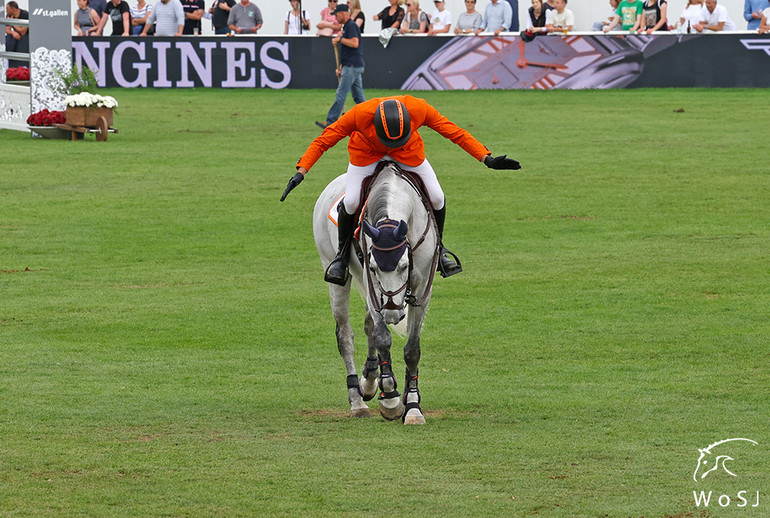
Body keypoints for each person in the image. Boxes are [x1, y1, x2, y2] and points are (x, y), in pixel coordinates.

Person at [281, 96, 521, 285]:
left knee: (437, 196)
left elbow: (453, 132)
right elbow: (324, 140)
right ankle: (341, 257)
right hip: (366, 155)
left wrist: (486, 158)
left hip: (408, 153)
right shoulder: (359, 115)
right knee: (352, 201)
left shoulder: (418, 108)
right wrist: (301, 171)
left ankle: (439, 251)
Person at [315, 4, 365, 130]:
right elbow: (350, 49)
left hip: (352, 66)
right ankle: (370, 119)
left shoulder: (351, 26)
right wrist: (342, 65)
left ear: (343, 13)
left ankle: (331, 122)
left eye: (336, 15)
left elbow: (354, 43)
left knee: (341, 94)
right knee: (359, 98)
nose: (336, 18)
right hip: (352, 65)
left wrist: (340, 39)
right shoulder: (347, 26)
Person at [4, 1, 28, 68]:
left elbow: (23, 32)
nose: (6, 11)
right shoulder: (9, 15)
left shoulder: (24, 14)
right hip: (15, 43)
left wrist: (13, 23)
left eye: (7, 8)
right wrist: (13, 32)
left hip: (25, 42)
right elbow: (6, 29)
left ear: (13, 8)